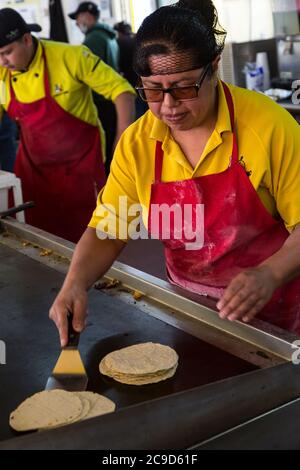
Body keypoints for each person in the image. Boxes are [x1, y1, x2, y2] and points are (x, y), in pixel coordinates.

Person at [50, 0, 300, 347]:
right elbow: (110, 229)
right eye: (152, 90)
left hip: (274, 318)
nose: (168, 106)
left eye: (183, 88)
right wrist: (74, 283)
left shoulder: (268, 126)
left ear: (213, 67)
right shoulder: (138, 143)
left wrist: (270, 274)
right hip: (190, 312)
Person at [0, 8, 135, 243]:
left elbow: (122, 91)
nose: (2, 61)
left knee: (90, 239)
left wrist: (122, 142)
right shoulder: (2, 74)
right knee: (34, 240)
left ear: (27, 39)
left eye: (7, 52)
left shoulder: (70, 56)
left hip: (80, 169)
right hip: (34, 171)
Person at [69, 1, 120, 174]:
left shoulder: (93, 39)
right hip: (111, 101)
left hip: (100, 101)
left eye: (77, 18)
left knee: (104, 154)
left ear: (88, 16)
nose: (76, 23)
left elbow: (88, 77)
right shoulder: (109, 36)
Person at [114, 20, 148, 119]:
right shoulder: (138, 39)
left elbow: (119, 65)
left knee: (138, 113)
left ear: (119, 32)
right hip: (143, 81)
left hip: (131, 83)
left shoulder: (119, 42)